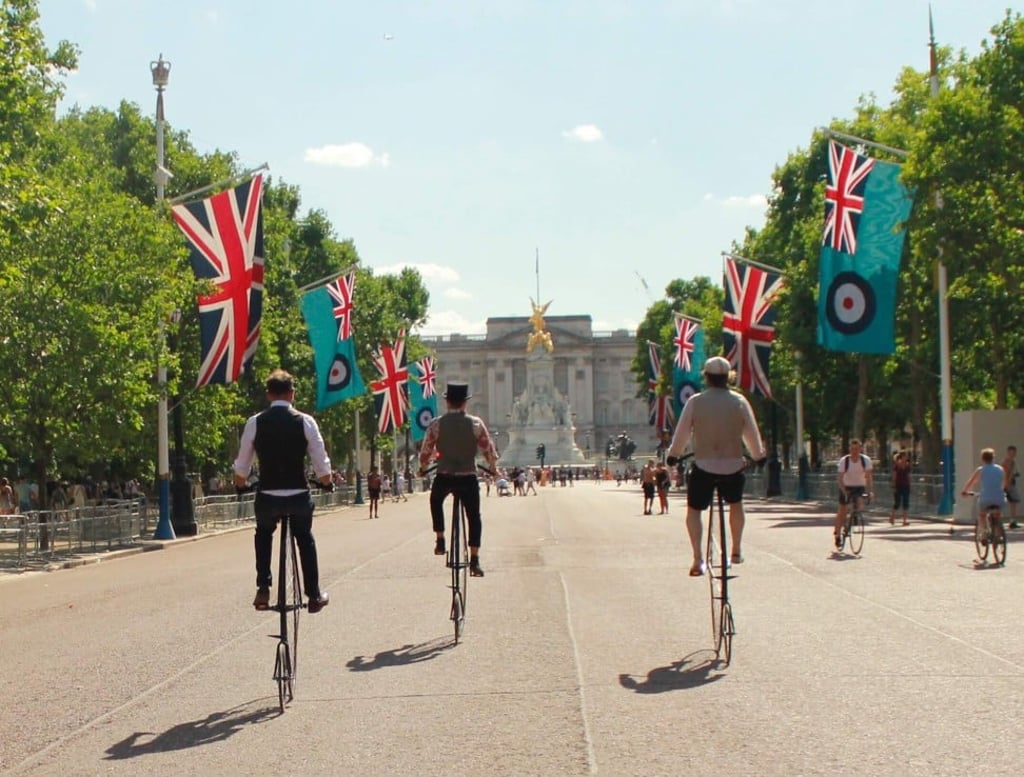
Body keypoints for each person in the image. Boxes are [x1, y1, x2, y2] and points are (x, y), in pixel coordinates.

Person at [233, 369, 332, 614]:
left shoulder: (255, 422)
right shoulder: (306, 421)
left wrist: (241, 484)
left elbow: (242, 465)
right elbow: (321, 462)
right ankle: (314, 594)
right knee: (305, 538)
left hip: (268, 496)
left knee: (264, 534)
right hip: (298, 495)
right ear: (292, 394)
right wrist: (326, 481)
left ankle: (264, 588)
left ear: (268, 395)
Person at [665, 356, 766, 577]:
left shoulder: (695, 402)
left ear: (707, 377)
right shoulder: (739, 401)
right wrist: (758, 456)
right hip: (733, 465)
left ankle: (697, 557)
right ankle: (737, 549)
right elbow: (751, 433)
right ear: (728, 377)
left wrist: (674, 455)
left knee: (694, 510)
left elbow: (682, 434)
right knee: (736, 504)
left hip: (704, 465)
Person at [418, 381, 498, 577]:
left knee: (435, 501)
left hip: (444, 475)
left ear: (447, 403)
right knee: (474, 517)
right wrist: (493, 469)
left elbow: (426, 451)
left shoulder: (436, 424)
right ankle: (475, 559)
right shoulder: (476, 424)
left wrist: (423, 468)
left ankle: (440, 538)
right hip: (468, 476)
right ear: (464, 403)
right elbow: (489, 450)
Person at [835, 439, 874, 549]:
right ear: (849, 449)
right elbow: (840, 478)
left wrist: (870, 491)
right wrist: (844, 491)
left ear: (860, 449)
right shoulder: (844, 461)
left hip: (859, 486)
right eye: (852, 449)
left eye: (856, 449)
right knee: (842, 511)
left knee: (859, 503)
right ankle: (838, 534)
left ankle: (853, 518)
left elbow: (869, 477)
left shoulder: (865, 460)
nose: (854, 451)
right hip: (846, 486)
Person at [961, 447, 1006, 534]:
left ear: (982, 458)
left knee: (982, 514)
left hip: (986, 498)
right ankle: (999, 530)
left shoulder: (981, 470)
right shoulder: (1000, 469)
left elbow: (971, 482)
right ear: (993, 457)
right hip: (999, 498)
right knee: (998, 512)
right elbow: (1004, 483)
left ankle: (984, 533)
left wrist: (965, 491)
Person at [889, 450, 911, 526]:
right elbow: (894, 476)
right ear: (902, 457)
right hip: (898, 485)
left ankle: (904, 520)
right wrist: (894, 486)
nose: (906, 457)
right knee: (897, 503)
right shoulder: (896, 466)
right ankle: (892, 517)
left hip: (906, 485)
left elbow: (908, 476)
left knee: (906, 502)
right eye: (905, 456)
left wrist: (909, 484)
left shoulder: (907, 465)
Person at [1002, 445, 1019, 528]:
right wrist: (1007, 484)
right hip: (1009, 483)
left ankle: (1013, 520)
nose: (1012, 454)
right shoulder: (1008, 462)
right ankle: (1012, 520)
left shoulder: (1012, 461)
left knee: (1013, 502)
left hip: (1009, 483)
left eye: (1014, 453)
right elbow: (1007, 474)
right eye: (1011, 453)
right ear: (1008, 453)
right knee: (1013, 502)